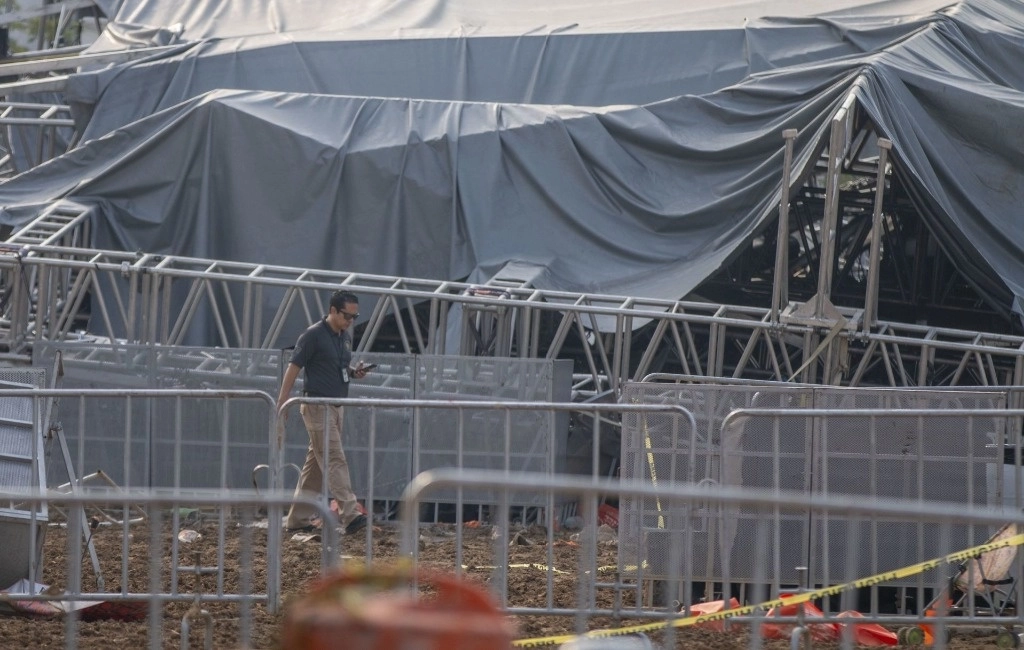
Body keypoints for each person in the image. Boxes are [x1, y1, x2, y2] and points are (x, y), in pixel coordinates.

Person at [279, 290, 371, 535]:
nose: (350, 321)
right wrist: (283, 399)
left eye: (355, 316)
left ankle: (297, 519)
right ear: (332, 310)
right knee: (334, 458)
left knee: (316, 466)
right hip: (317, 406)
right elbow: (294, 366)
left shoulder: (343, 337)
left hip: (335, 406)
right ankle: (350, 515)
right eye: (347, 316)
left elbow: (336, 365)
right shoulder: (313, 335)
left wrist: (353, 372)